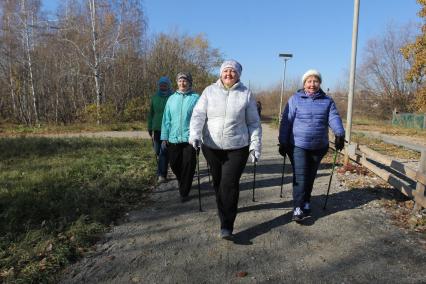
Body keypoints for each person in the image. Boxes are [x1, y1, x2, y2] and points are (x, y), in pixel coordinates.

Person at [189, 60, 262, 240]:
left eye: (233, 71)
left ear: (238, 75)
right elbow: (198, 115)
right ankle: (224, 208)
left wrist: (255, 145)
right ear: (221, 73)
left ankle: (226, 225)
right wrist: (195, 134)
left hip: (237, 147)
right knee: (218, 183)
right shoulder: (209, 91)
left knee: (229, 184)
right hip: (211, 147)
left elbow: (253, 123)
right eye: (226, 71)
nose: (229, 74)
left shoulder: (246, 94)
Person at [278, 69, 345, 222]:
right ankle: (297, 207)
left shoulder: (327, 101)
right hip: (298, 145)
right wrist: (283, 141)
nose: (312, 84)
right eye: (309, 81)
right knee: (300, 176)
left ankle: (306, 200)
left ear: (319, 83)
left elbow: (333, 117)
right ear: (304, 84)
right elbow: (287, 121)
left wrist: (339, 133)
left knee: (310, 176)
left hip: (319, 145)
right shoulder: (295, 99)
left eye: (315, 81)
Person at [161, 72, 200, 202]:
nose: (182, 83)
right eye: (179, 81)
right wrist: (164, 136)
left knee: (189, 165)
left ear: (189, 82)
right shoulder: (171, 98)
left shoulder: (196, 98)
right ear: (177, 83)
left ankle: (184, 191)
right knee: (174, 164)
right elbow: (166, 119)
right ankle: (182, 180)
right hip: (173, 138)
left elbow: (201, 118)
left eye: (185, 81)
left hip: (191, 138)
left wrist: (200, 135)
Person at [147, 76, 173, 183]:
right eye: (161, 85)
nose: (163, 87)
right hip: (156, 128)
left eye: (165, 85)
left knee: (163, 151)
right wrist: (149, 127)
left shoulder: (172, 97)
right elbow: (151, 113)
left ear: (168, 85)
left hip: (168, 128)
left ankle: (162, 174)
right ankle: (165, 165)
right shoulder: (154, 97)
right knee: (158, 151)